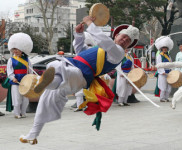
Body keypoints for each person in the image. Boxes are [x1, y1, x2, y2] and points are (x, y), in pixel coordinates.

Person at [19, 16, 139, 145]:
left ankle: (42, 81)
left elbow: (104, 39)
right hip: (73, 67)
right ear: (116, 36)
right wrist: (79, 34)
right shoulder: (99, 48)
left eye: (128, 40)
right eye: (123, 36)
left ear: (128, 45)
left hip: (81, 74)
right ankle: (33, 134)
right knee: (45, 101)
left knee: (57, 67)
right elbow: (80, 51)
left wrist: (90, 23)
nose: (125, 40)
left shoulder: (118, 52)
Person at [6, 33, 33, 119]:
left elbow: (30, 70)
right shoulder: (11, 59)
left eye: (17, 49)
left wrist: (30, 79)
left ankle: (23, 112)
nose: (15, 51)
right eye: (14, 50)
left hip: (25, 81)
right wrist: (12, 78)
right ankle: (17, 113)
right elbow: (9, 71)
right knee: (16, 98)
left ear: (22, 49)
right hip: (15, 81)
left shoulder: (27, 59)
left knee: (25, 99)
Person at [72, 32, 97, 112]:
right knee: (83, 90)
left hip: (85, 72)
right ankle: (82, 105)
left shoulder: (84, 50)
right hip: (86, 72)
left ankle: (82, 105)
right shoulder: (93, 50)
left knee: (82, 90)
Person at [154, 36, 174, 102]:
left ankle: (166, 97)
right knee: (163, 86)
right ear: (161, 48)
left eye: (166, 48)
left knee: (169, 86)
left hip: (168, 72)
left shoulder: (169, 56)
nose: (164, 49)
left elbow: (171, 64)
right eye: (163, 48)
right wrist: (162, 71)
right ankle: (162, 98)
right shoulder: (159, 55)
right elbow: (159, 64)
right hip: (162, 73)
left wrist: (171, 71)